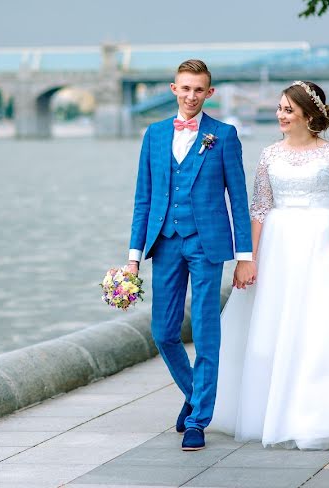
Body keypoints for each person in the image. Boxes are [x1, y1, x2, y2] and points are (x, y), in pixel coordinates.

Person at [210, 80, 329, 450]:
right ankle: (268, 410)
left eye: (287, 110)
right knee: (271, 325)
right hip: (279, 245)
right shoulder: (268, 155)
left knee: (321, 326)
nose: (280, 115)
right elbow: (260, 209)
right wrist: (249, 257)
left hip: (320, 243)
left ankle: (321, 413)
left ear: (308, 115)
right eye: (279, 108)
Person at [127, 59, 256, 451]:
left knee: (204, 331)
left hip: (207, 244)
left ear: (209, 93)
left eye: (199, 89)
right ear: (173, 89)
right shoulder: (154, 134)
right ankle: (195, 394)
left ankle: (199, 418)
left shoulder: (224, 136)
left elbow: (239, 198)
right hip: (164, 242)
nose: (191, 96)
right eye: (185, 88)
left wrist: (244, 255)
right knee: (163, 333)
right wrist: (133, 257)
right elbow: (143, 198)